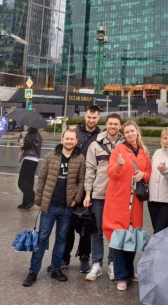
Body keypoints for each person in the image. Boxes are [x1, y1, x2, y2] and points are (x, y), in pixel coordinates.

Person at [22, 128, 85, 287]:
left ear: (76, 141)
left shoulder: (80, 158)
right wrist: (38, 201)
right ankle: (33, 271)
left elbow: (81, 181)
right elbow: (41, 179)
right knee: (42, 238)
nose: (69, 141)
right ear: (62, 140)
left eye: (72, 139)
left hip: (67, 207)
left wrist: (76, 199)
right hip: (50, 205)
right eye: (67, 138)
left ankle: (56, 269)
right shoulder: (51, 156)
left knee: (61, 239)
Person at [102, 120, 151, 291]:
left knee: (132, 236)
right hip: (119, 199)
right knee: (118, 237)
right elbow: (110, 173)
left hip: (135, 202)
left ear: (137, 132)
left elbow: (149, 172)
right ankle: (121, 276)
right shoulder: (119, 149)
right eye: (127, 132)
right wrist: (119, 166)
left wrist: (143, 175)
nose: (130, 134)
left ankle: (129, 272)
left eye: (132, 131)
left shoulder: (144, 152)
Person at [83, 113, 124, 282]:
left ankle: (112, 263)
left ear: (119, 126)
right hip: (99, 194)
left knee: (115, 232)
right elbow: (90, 170)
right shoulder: (95, 144)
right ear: (106, 125)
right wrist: (88, 193)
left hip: (118, 196)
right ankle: (97, 264)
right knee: (97, 231)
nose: (113, 126)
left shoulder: (125, 144)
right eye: (110, 123)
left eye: (116, 124)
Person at [61, 105, 101, 273]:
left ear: (98, 118)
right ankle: (65, 257)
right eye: (89, 117)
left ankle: (84, 257)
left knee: (86, 224)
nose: (91, 120)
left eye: (94, 118)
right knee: (67, 224)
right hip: (71, 184)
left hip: (89, 186)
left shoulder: (100, 136)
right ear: (85, 117)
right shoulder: (76, 132)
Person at [17, 127, 42, 209]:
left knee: (21, 182)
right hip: (34, 159)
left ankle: (31, 196)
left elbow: (25, 146)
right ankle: (26, 203)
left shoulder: (32, 133)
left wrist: (20, 139)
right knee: (29, 182)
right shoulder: (36, 133)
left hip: (29, 159)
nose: (27, 126)